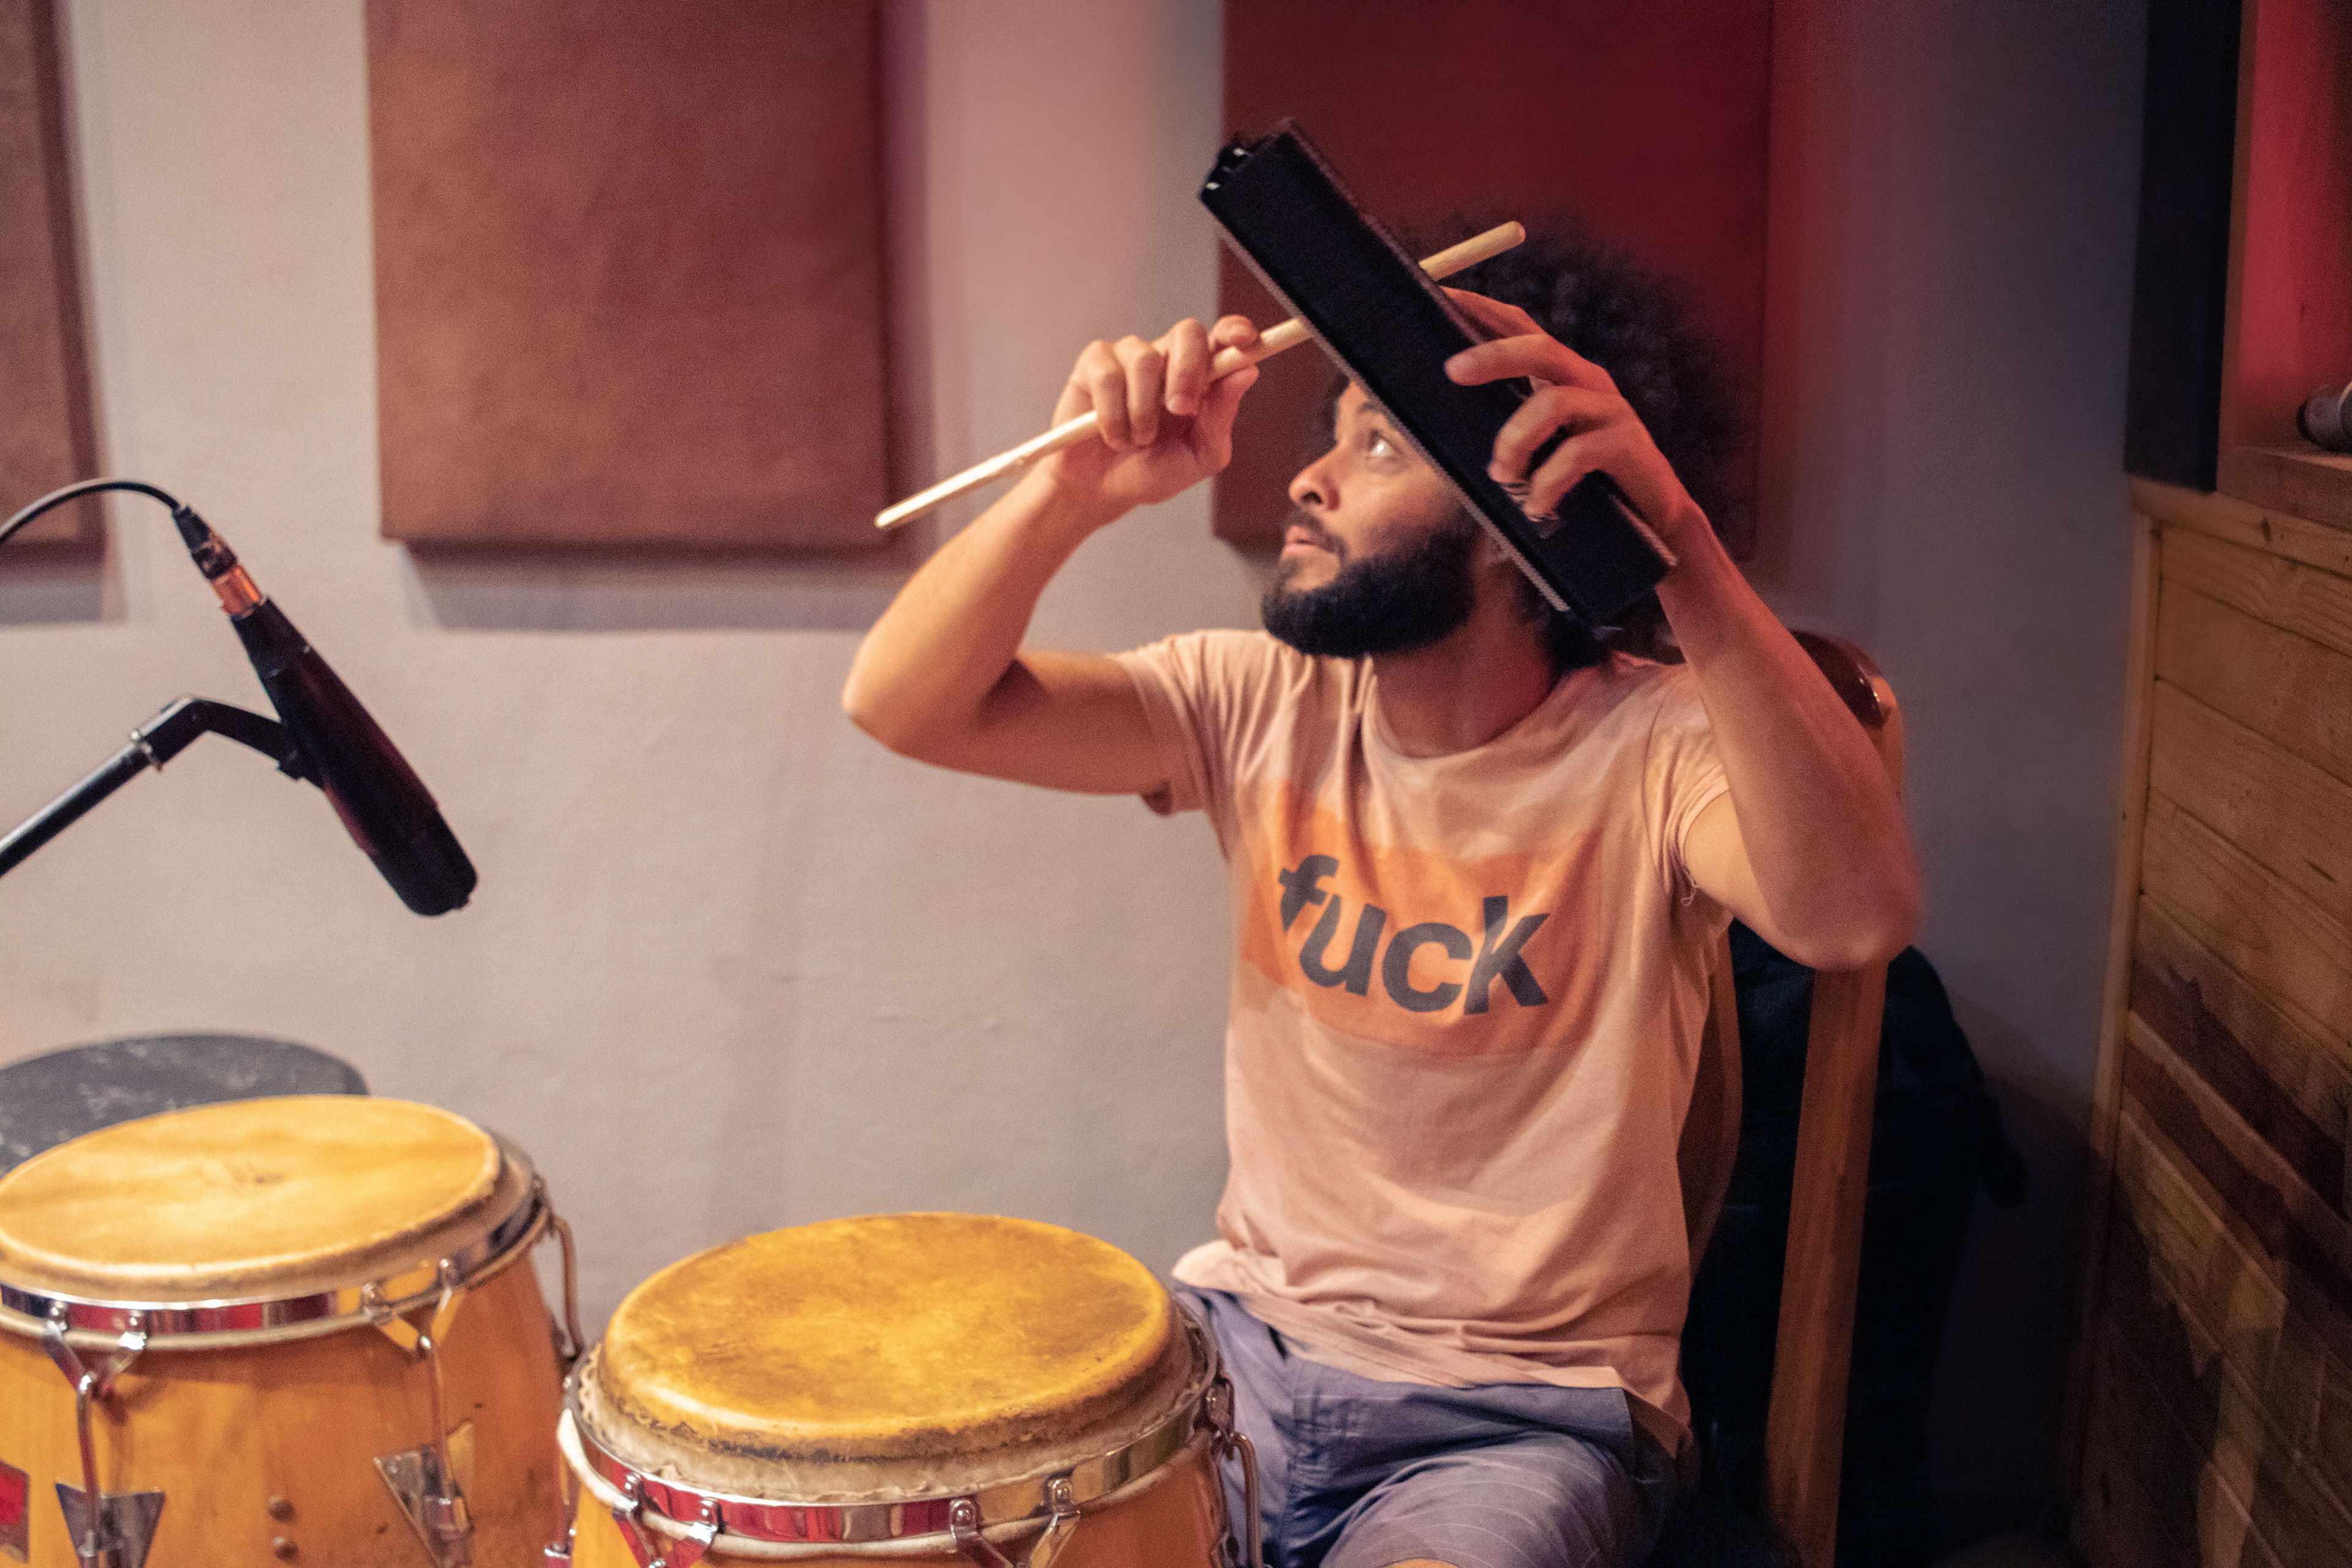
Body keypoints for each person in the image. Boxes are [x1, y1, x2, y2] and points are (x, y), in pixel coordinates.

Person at [841, 234, 1920, 1568]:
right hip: (1235, 1359)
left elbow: (1853, 918)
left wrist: (1675, 544)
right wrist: (1071, 487)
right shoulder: (1261, 701)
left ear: (1537, 515)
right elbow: (904, 704)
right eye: (1334, 435)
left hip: (1517, 1422)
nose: (1308, 476)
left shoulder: (1659, 744)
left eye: (1379, 446)